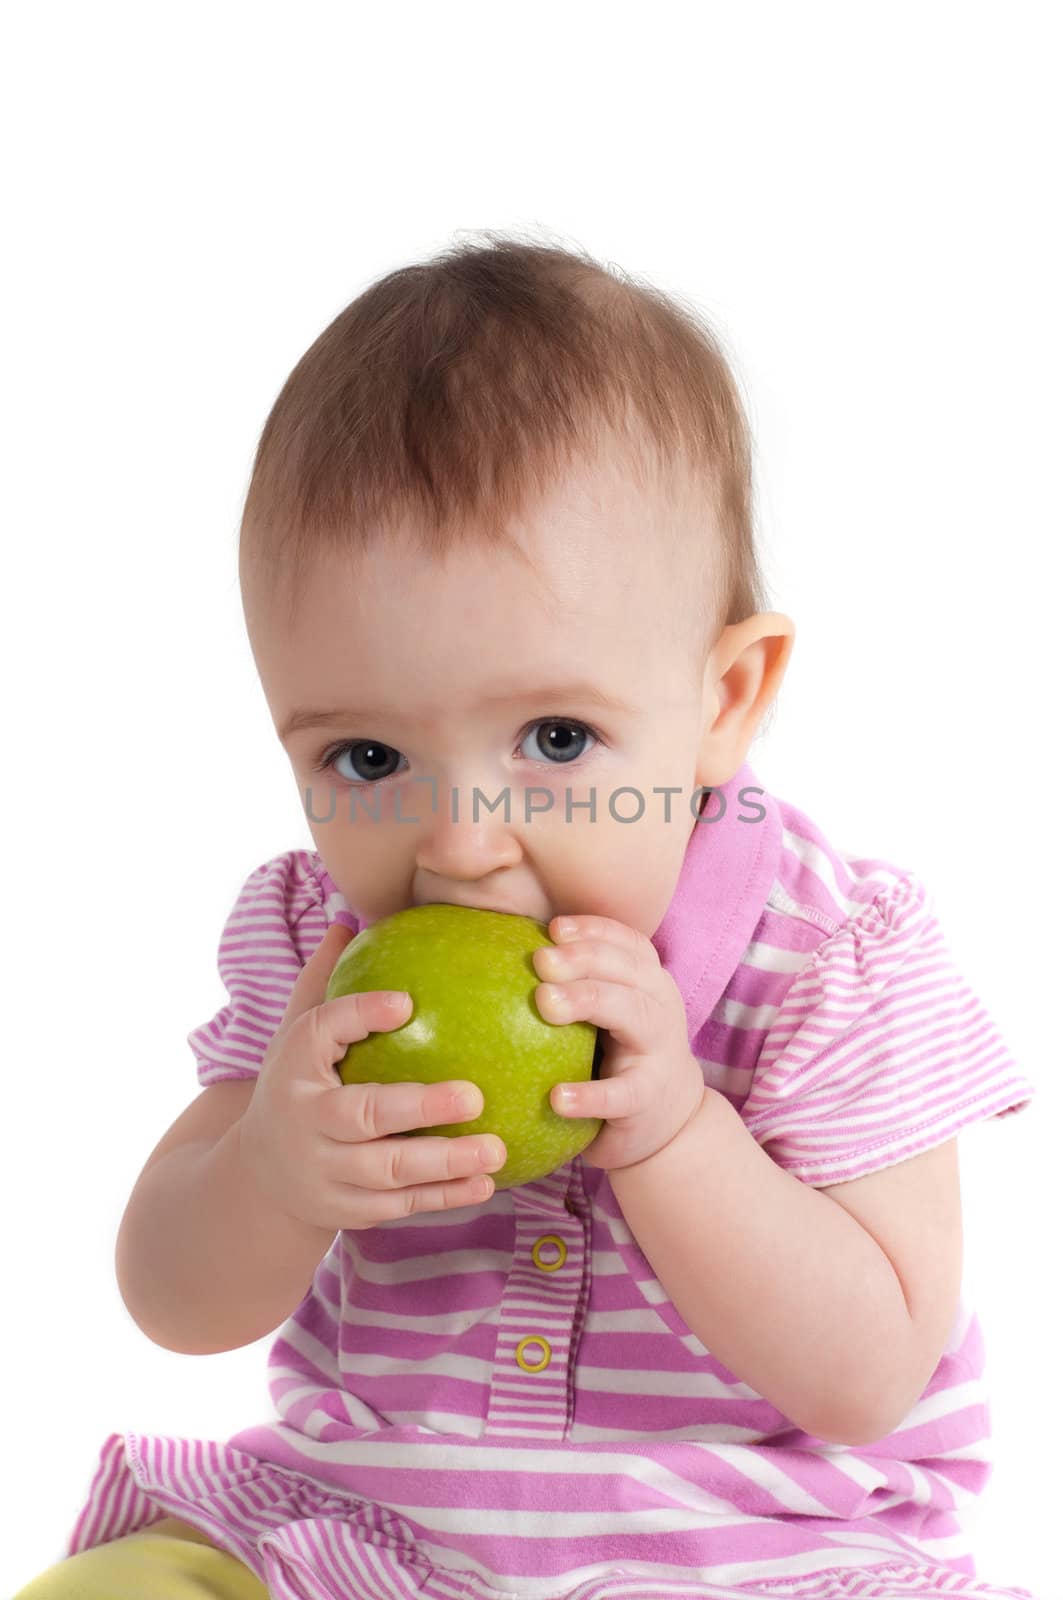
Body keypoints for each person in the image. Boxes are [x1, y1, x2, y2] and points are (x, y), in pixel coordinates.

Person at [15, 233, 1038, 1600]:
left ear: (725, 700)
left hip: (746, 1560)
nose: (458, 845)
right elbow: (172, 1297)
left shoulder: (832, 956)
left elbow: (868, 1372)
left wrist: (675, 1134)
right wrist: (269, 1165)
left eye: (556, 737)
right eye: (366, 761)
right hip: (361, 1537)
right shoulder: (317, 953)